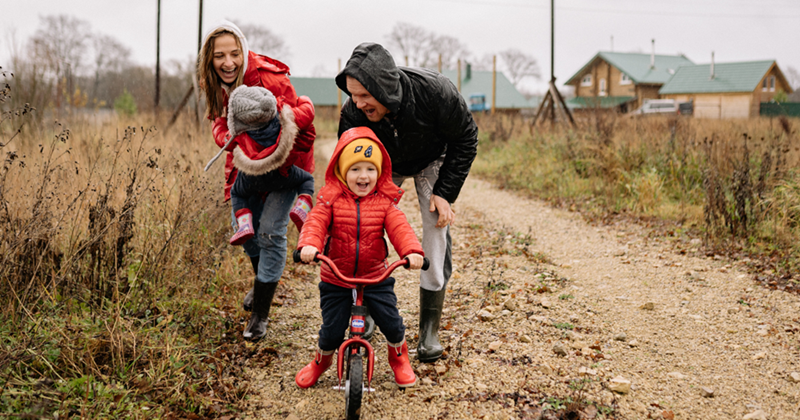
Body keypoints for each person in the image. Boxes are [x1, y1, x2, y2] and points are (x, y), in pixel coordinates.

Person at [336, 42, 478, 363]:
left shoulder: (436, 93)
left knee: (435, 227)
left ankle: (429, 330)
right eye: (352, 95)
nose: (357, 103)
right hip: (382, 161)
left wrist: (444, 193)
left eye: (363, 95)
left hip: (432, 156)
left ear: (383, 87)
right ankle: (366, 304)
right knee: (365, 221)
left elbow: (466, 139)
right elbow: (347, 160)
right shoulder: (352, 113)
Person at [198, 20, 316, 341]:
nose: (228, 62)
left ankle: (260, 315)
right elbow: (217, 123)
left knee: (269, 231)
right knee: (247, 232)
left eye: (235, 53)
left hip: (284, 168)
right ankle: (260, 283)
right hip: (245, 167)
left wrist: (277, 165)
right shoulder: (214, 84)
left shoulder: (267, 78)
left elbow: (301, 126)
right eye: (219, 56)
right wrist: (229, 138)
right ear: (209, 59)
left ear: (244, 51)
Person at [294, 127, 424, 389]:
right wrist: (309, 245)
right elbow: (315, 223)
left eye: (370, 169)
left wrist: (411, 252)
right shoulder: (330, 201)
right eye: (355, 169)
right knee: (331, 330)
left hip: (376, 277)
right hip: (336, 278)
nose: (363, 176)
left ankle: (399, 359)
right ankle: (322, 361)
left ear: (380, 172)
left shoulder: (385, 204)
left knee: (392, 323)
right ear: (342, 171)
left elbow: (400, 229)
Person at [221, 84, 315, 245]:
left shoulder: (240, 132)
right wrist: (303, 100)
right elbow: (309, 130)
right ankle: (302, 208)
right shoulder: (281, 122)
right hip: (281, 174)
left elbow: (225, 141)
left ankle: (244, 224)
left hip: (250, 176)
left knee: (237, 193)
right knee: (306, 179)